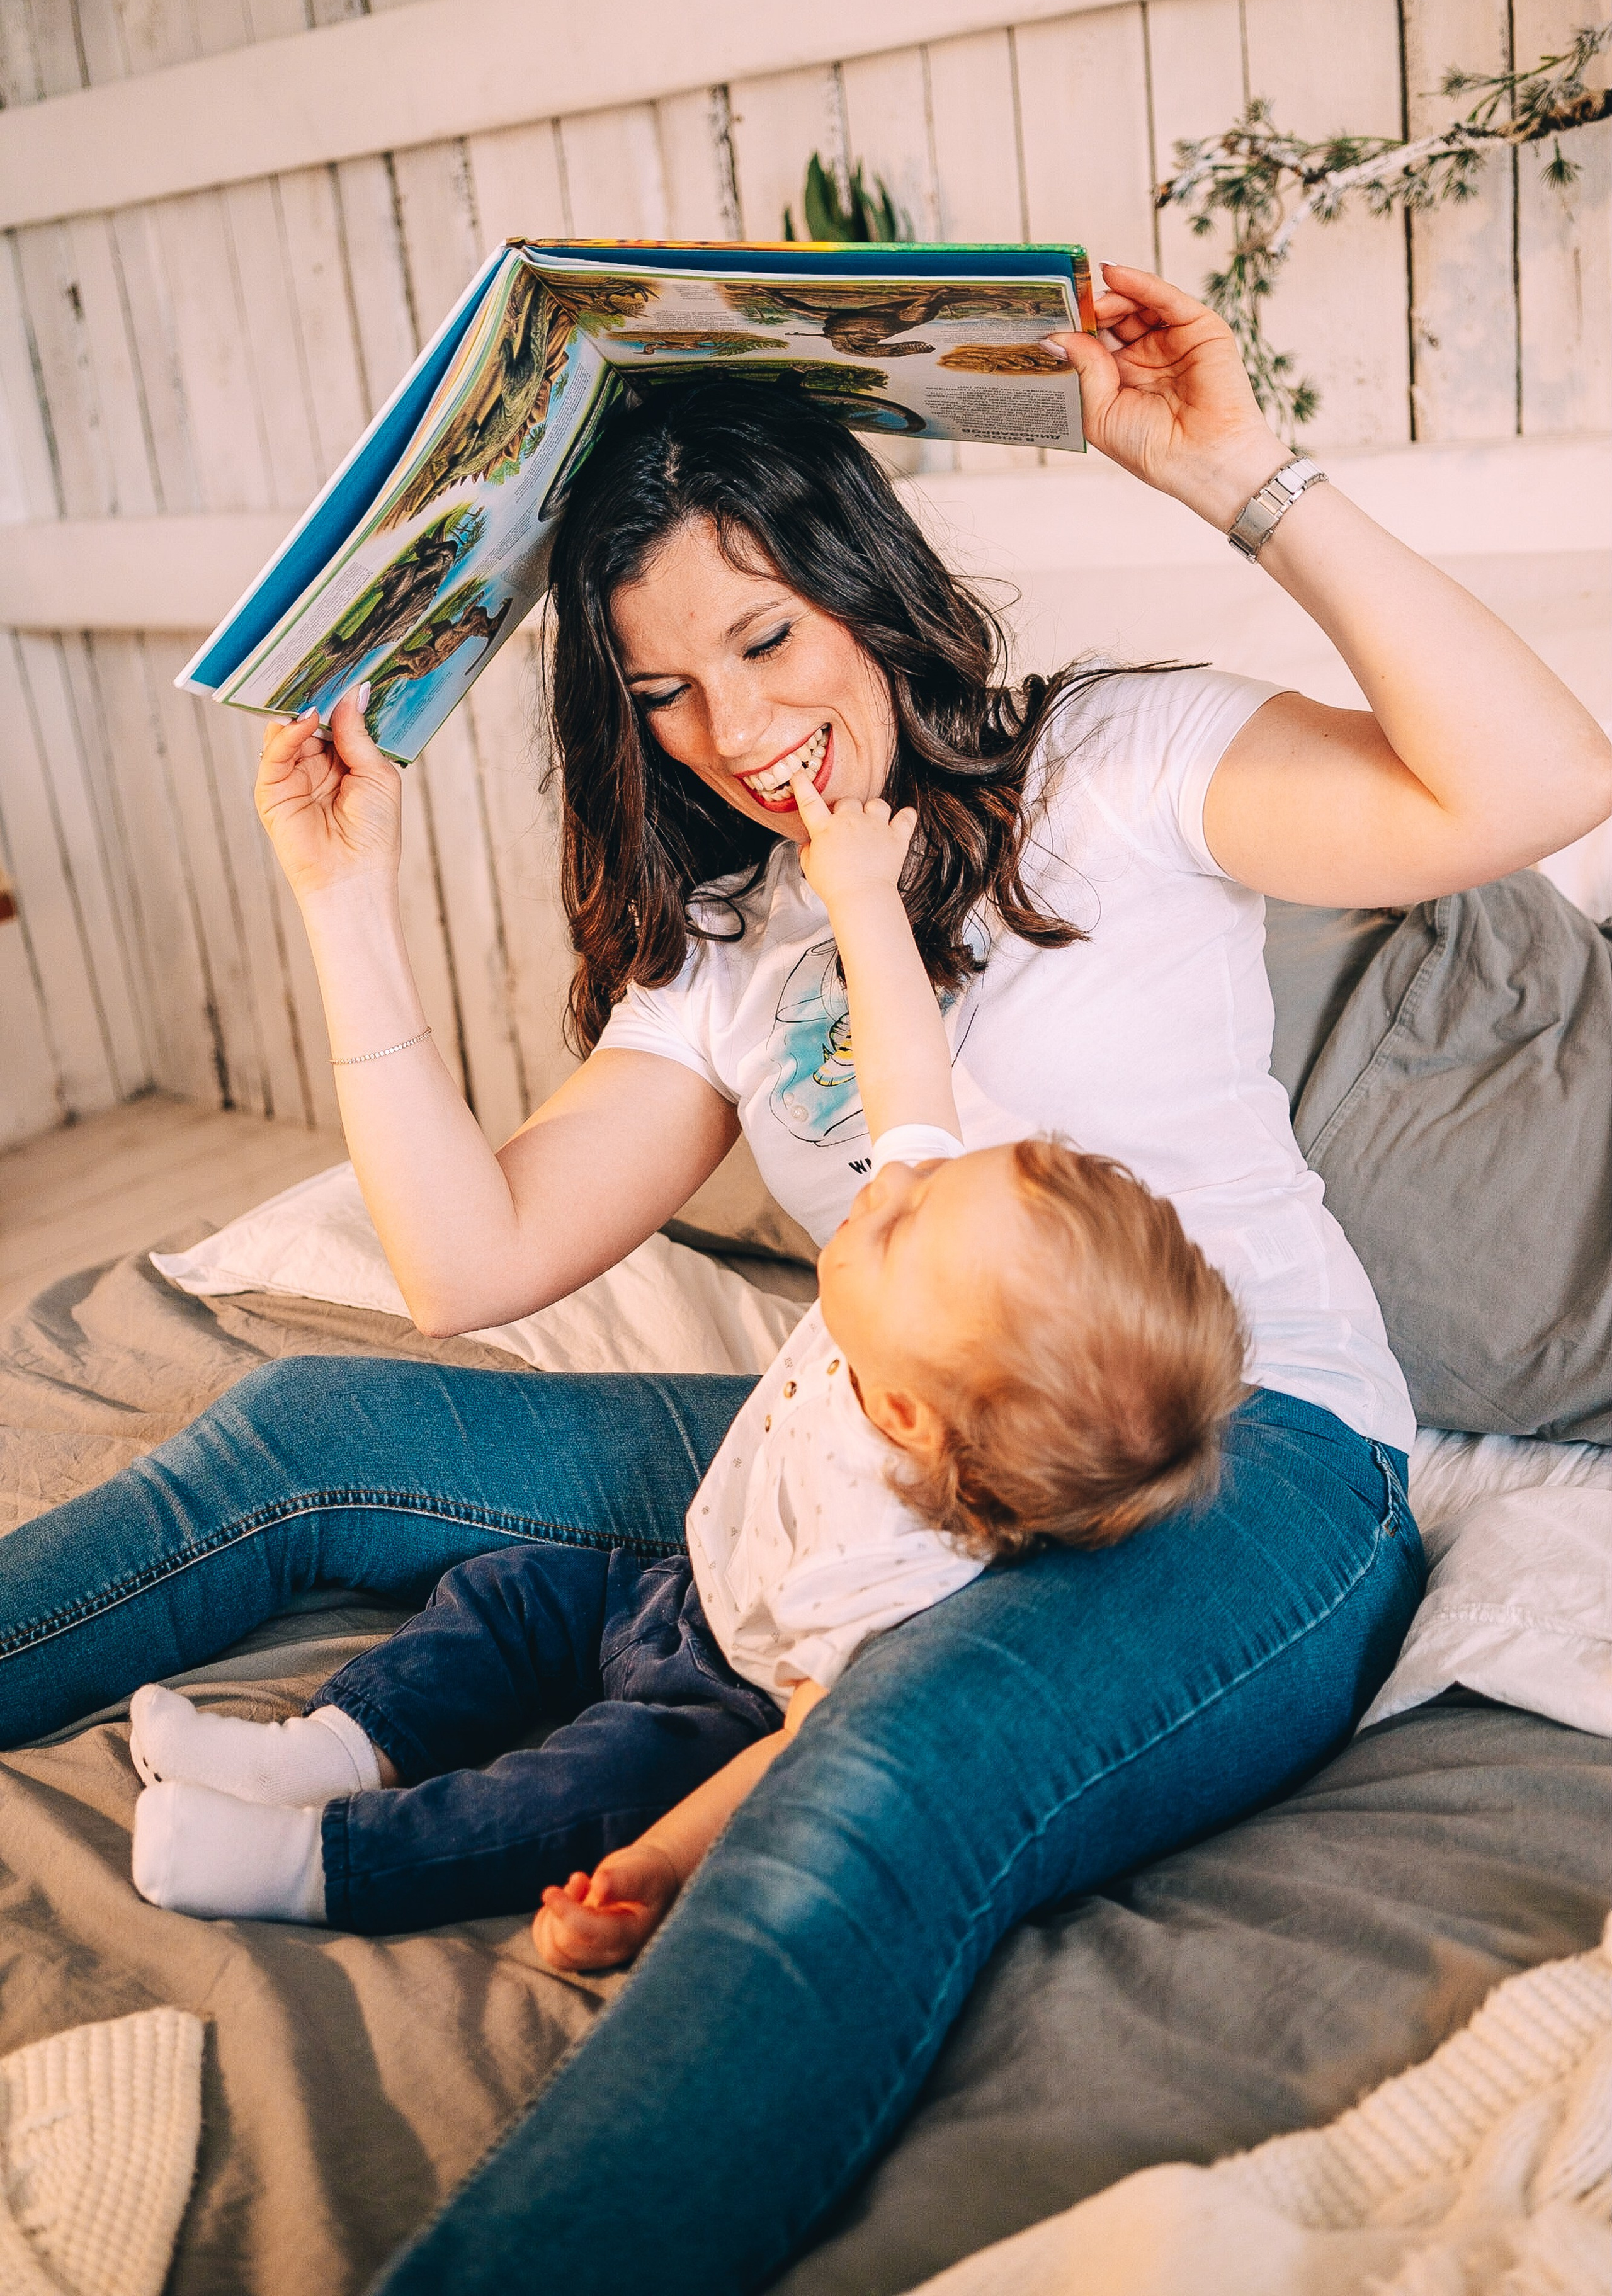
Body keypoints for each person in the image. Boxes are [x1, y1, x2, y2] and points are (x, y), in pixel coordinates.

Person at [1, 265, 1606, 2295]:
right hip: (870, 1436)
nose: (737, 726)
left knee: (866, 1786)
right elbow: (465, 1261)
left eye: (764, 638)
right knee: (312, 1425)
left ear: (865, 586)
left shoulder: (1111, 760)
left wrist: (1237, 471)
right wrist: (345, 905)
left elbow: (1539, 783)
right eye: (664, 689)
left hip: (1229, 1449)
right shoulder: (735, 928)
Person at [124, 771, 1246, 1945]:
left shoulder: (895, 1578)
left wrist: (657, 1863)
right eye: (938, 1178)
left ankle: (313, 1862)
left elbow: (800, 1749)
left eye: (908, 1219)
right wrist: (860, 895)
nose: (893, 1181)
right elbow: (903, 1057)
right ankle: (320, 1752)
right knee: (503, 1600)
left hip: (719, 1698)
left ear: (909, 1416)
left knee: (573, 1794)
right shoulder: (927, 1271)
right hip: (672, 1584)